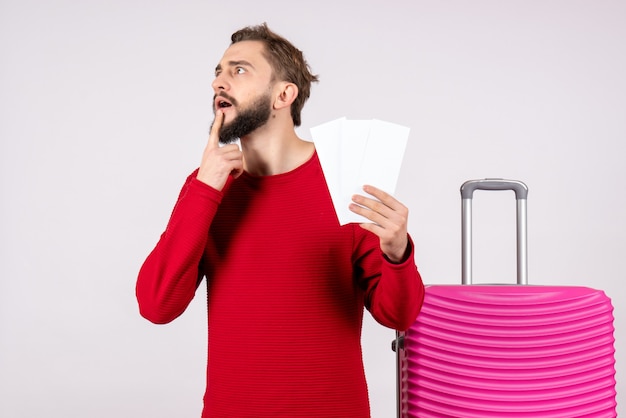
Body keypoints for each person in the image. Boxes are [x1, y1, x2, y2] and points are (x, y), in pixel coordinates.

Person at [136, 23, 425, 418]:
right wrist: (204, 188)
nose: (219, 82)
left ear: (283, 94)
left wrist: (398, 253)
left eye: (239, 70)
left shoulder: (346, 176)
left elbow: (398, 315)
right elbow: (156, 305)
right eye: (218, 72)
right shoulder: (208, 186)